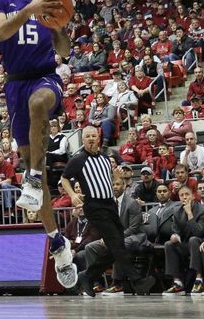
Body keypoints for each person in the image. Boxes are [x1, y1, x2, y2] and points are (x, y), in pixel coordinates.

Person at [0, 0, 77, 288]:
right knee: (28, 159)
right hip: (15, 85)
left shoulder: (46, 2)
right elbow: (1, 34)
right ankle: (57, 243)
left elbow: (63, 51)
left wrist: (60, 27)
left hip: (44, 76)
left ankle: (35, 179)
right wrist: (29, 11)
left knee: (41, 103)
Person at [61, 126, 155, 297]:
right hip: (95, 207)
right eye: (87, 136)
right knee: (116, 244)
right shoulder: (78, 159)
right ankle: (137, 281)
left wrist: (116, 174)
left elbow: (106, 178)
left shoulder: (105, 158)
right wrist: (73, 194)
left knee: (116, 246)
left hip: (110, 205)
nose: (90, 138)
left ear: (98, 138)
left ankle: (87, 276)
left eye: (93, 136)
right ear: (83, 140)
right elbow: (64, 178)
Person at [162, 186, 204, 295]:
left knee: (193, 240)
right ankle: (177, 283)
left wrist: (189, 213)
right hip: (185, 245)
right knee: (169, 244)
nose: (184, 197)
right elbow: (175, 229)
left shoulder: (203, 210)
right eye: (181, 195)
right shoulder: (177, 210)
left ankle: (199, 279)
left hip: (200, 244)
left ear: (193, 196)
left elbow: (199, 232)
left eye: (187, 194)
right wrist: (175, 236)